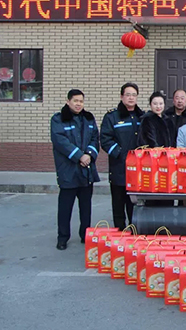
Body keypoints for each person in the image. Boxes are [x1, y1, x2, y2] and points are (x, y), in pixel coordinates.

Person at [51, 89, 100, 250]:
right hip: (68, 170)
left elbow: (95, 139)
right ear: (68, 101)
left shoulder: (88, 118)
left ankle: (85, 235)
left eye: (81, 101)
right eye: (75, 101)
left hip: (86, 170)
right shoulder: (58, 119)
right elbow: (60, 141)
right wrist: (79, 156)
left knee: (86, 207)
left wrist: (89, 155)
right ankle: (62, 237)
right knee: (65, 207)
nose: (78, 104)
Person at [101, 82, 144, 230]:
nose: (131, 98)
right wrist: (120, 154)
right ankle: (120, 234)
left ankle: (134, 234)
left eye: (134, 95)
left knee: (135, 206)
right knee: (118, 206)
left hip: (138, 170)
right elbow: (105, 139)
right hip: (119, 168)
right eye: (128, 95)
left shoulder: (142, 116)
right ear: (121, 96)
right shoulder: (112, 117)